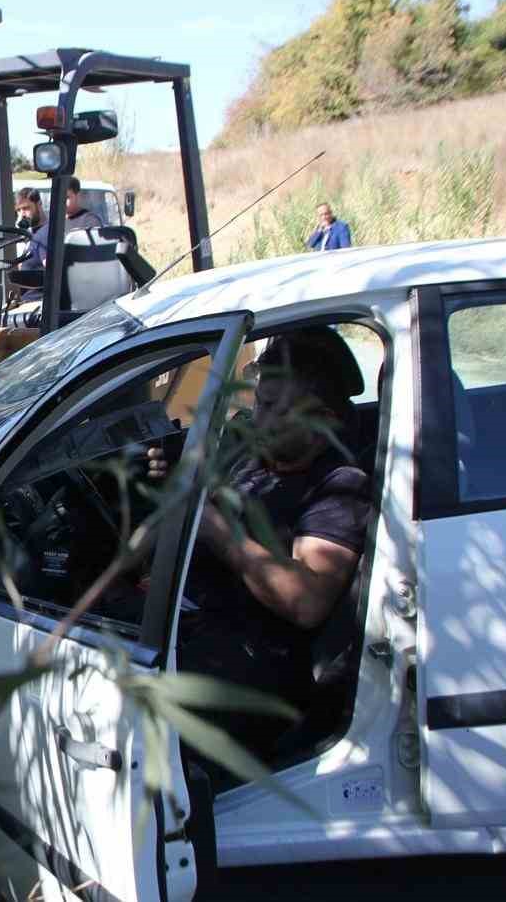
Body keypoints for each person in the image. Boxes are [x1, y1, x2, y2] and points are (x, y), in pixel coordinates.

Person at [148, 328, 372, 768]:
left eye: (271, 407)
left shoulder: (338, 487)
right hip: (193, 625)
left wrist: (211, 525)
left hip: (250, 668)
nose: (256, 417)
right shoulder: (257, 461)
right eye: (257, 402)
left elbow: (305, 600)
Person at [22, 178, 100, 268]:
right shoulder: (54, 222)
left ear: (77, 195)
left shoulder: (89, 220)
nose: (61, 201)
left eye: (66, 198)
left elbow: (91, 252)